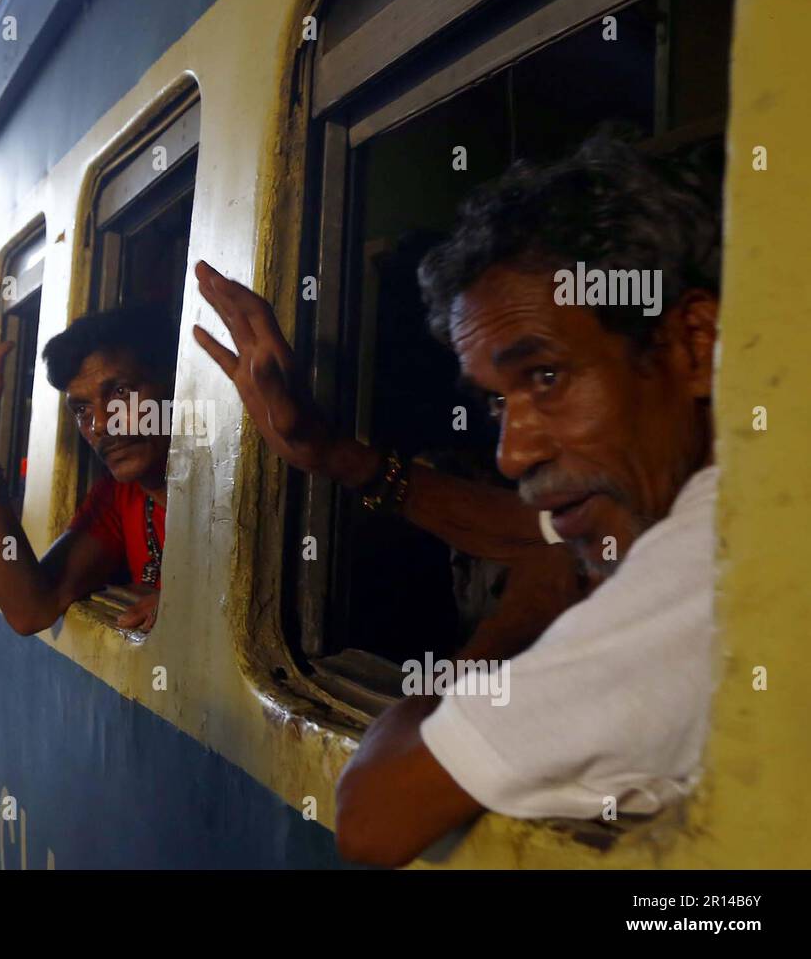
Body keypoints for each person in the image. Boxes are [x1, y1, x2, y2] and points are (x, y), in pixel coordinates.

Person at [194, 133, 722, 866]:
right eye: (500, 404)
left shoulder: (711, 556)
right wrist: (330, 454)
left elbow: (376, 813)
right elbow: (524, 530)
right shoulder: (683, 488)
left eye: (544, 377)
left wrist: (520, 617)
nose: (511, 453)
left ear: (693, 344)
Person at [0, 306, 177, 633]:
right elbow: (31, 609)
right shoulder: (119, 497)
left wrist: (188, 608)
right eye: (82, 409)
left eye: (121, 392)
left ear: (173, 387)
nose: (102, 423)